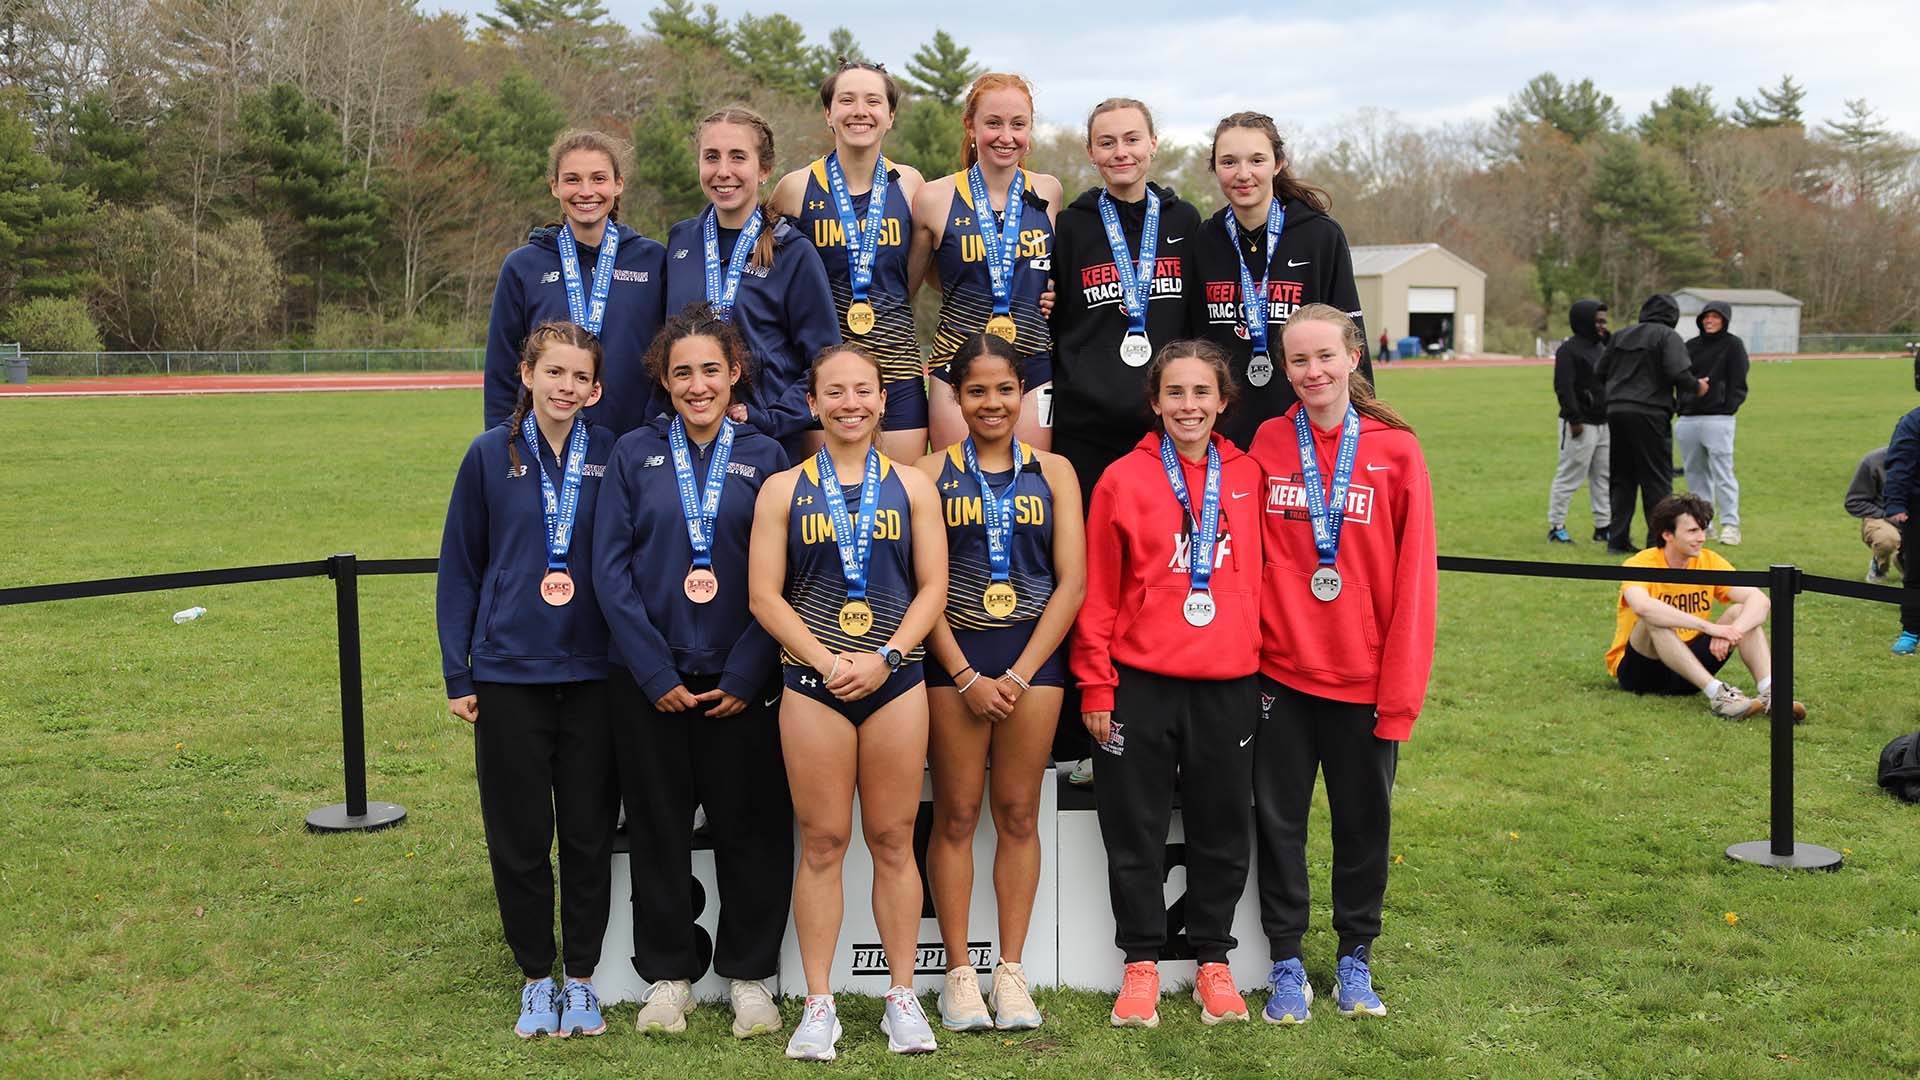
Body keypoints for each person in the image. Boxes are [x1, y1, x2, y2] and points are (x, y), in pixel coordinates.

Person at [593, 305, 792, 1039]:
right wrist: (650, 671)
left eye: (711, 369)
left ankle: (749, 977)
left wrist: (747, 670)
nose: (698, 383)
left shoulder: (767, 456)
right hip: (651, 681)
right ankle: (668, 977)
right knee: (656, 825)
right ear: (663, 380)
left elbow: (787, 577)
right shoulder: (632, 454)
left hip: (743, 682)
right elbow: (609, 569)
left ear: (735, 371)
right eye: (683, 372)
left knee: (751, 826)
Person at [748, 343, 948, 1060]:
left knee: (894, 840)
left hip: (895, 681)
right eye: (835, 392)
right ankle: (819, 1003)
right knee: (824, 841)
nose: (850, 403)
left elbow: (933, 589)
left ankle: (902, 997)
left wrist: (887, 656)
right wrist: (830, 660)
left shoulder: (915, 486)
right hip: (815, 684)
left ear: (883, 399)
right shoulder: (782, 489)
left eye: (863, 390)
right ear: (813, 402)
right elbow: (764, 596)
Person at [1247, 303, 1436, 1025]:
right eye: (1298, 360)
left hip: (1364, 679)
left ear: (1354, 356)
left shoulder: (1395, 449)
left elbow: (1415, 578)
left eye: (1325, 356)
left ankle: (1356, 957)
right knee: (1279, 825)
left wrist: (1400, 694)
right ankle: (1287, 961)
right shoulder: (1267, 441)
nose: (1312, 371)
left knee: (1363, 825)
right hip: (1282, 678)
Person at [1073, 339, 1264, 1029]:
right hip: (1139, 683)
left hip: (1228, 682)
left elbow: (1265, 581)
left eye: (1202, 393)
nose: (1189, 406)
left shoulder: (1250, 475)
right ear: (1155, 402)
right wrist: (1096, 685)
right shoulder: (1124, 479)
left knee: (1220, 826)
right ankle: (1141, 965)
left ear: (1223, 401)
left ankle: (1214, 960)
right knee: (1136, 831)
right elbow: (1098, 591)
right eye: (1175, 394)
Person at [437, 321, 619, 1039]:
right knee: (518, 835)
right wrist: (460, 670)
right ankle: (536, 979)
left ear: (596, 389)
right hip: (509, 673)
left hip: (596, 674)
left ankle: (581, 980)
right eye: (555, 373)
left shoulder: (615, 455)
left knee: (586, 835)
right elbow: (461, 570)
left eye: (579, 377)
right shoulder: (488, 457)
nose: (566, 387)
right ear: (527, 374)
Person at [915, 334, 1085, 1033]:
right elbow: (919, 585)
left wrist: (1015, 673)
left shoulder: (1057, 471)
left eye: (1004, 389)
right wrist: (962, 673)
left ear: (1025, 394)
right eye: (976, 390)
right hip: (952, 658)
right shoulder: (924, 473)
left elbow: (1071, 581)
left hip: (1032, 662)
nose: (991, 402)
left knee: (1017, 813)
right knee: (955, 814)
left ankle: (1009, 971)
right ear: (955, 396)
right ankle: (958, 973)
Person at [1048, 96, 1202, 504]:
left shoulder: (1184, 220)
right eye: (1107, 142)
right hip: (1086, 428)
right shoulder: (1069, 226)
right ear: (1091, 153)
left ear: (1153, 143)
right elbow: (1053, 314)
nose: (1121, 152)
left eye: (1132, 139)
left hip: (1165, 424)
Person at [664, 107, 840, 459]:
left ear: (764, 170)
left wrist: (770, 419)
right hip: (687, 441)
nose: (723, 171)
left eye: (738, 157)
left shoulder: (792, 251)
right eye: (711, 157)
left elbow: (825, 362)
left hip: (766, 444)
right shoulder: (680, 242)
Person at [775, 60, 929, 462]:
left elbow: (914, 277)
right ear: (829, 113)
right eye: (847, 100)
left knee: (897, 497)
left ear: (890, 116)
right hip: (822, 375)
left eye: (873, 101)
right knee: (827, 503)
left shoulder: (912, 186)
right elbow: (768, 278)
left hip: (897, 368)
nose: (860, 110)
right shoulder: (795, 189)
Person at [1188, 111, 1371, 448]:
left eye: (1256, 160)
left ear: (1278, 163)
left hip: (1306, 431)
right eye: (1229, 162)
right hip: (1225, 438)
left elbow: (1351, 338)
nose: (1243, 174)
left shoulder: (1319, 236)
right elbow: (1196, 342)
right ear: (1214, 168)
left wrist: (1363, 427)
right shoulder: (1204, 240)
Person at [909, 72, 1063, 452]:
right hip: (956, 364)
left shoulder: (1049, 190)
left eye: (1018, 124)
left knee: (1031, 486)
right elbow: (914, 282)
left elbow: (1050, 270)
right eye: (993, 123)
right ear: (970, 126)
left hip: (1032, 364)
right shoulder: (934, 197)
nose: (1006, 136)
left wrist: (1054, 291)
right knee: (956, 492)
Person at [484, 130, 667, 435]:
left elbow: (668, 356)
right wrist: (504, 446)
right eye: (572, 179)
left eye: (598, 178)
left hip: (632, 445)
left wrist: (654, 433)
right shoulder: (523, 266)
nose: (586, 191)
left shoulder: (653, 259)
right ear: (554, 186)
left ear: (618, 184)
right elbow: (502, 371)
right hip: (545, 447)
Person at [1604, 493, 1806, 718]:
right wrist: (1710, 629)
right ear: (1667, 534)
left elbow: (1760, 600)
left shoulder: (1709, 561)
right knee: (1653, 619)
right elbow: (1643, 607)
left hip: (1689, 671)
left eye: (1703, 529)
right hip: (1641, 672)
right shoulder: (1640, 562)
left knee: (1741, 612)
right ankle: (1718, 695)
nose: (1701, 537)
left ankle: (1772, 694)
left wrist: (1732, 632)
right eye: (1692, 531)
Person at [1597, 294, 1705, 555]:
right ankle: (1656, 541)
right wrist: (1697, 386)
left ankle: (1617, 539)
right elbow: (1677, 372)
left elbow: (1600, 370)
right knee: (1656, 478)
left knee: (1622, 477)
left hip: (1617, 410)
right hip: (1650, 412)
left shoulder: (1621, 335)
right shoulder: (1667, 336)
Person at [1676, 301, 1750, 545]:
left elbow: (1739, 381)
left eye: (1715, 317)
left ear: (1724, 320)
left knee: (1723, 472)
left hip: (1719, 418)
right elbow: (1680, 377)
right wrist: (1683, 404)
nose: (1709, 321)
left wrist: (1727, 406)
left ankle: (1731, 524)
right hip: (1688, 417)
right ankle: (1703, 524)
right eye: (1706, 317)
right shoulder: (1690, 346)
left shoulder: (1733, 345)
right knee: (1695, 474)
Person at [1547, 299, 1611, 544]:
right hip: (1580, 423)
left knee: (1603, 476)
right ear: (1584, 321)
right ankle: (1556, 525)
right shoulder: (1569, 351)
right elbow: (1563, 387)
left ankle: (1603, 525)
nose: (1602, 325)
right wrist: (1574, 418)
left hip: (1604, 422)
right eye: (1597, 321)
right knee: (1570, 475)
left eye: (1604, 321)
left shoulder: (1602, 347)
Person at [1886, 399, 1920, 655]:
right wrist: (1896, 503)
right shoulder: (1913, 421)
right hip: (1918, 511)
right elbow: (1900, 463)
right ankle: (1911, 631)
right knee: (1916, 574)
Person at [1847, 446, 1901, 584]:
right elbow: (1854, 501)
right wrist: (1887, 515)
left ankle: (1904, 560)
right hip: (1881, 518)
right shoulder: (1874, 461)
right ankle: (1879, 566)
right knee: (1887, 539)